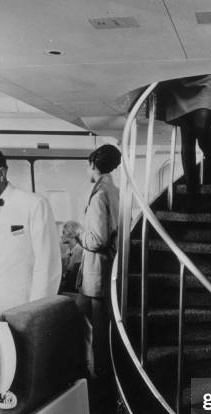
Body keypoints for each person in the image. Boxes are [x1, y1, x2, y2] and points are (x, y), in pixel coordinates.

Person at [0, 146, 61, 319]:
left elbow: (46, 265)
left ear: (1, 173)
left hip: (25, 308)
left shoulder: (34, 205)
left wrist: (35, 314)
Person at [76, 144, 121, 377]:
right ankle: (94, 371)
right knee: (86, 323)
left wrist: (77, 234)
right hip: (107, 269)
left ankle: (101, 378)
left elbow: (97, 240)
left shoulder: (98, 195)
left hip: (98, 274)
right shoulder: (116, 191)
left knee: (99, 334)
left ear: (93, 165)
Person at [156, 74, 211, 193]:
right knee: (187, 138)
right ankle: (191, 187)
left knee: (201, 126)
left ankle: (210, 157)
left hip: (209, 76)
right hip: (183, 78)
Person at [60, 220, 83, 293]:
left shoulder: (79, 251)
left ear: (71, 234)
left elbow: (74, 278)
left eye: (63, 233)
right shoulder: (68, 251)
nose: (61, 236)